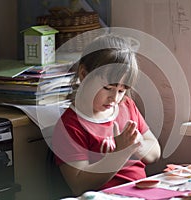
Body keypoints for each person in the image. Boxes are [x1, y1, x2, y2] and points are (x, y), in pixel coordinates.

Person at [52, 34, 161, 196]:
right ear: (83, 74)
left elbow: (155, 153)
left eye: (122, 90)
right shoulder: (70, 126)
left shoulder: (126, 106)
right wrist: (121, 152)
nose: (115, 98)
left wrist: (138, 144)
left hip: (141, 192)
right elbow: (79, 184)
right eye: (108, 88)